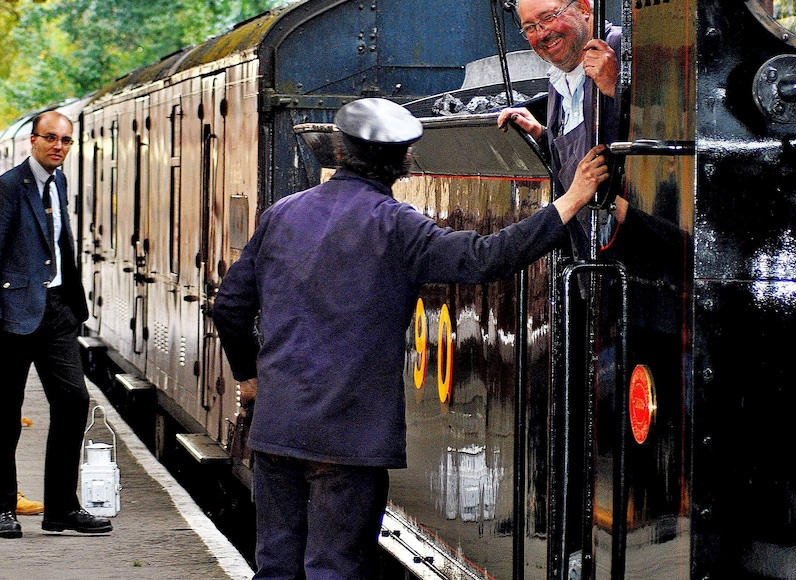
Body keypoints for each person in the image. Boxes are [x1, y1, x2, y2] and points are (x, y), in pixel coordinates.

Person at [212, 98, 609, 579]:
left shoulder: (281, 214)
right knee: (333, 568)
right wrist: (572, 200)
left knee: (275, 568)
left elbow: (229, 306)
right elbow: (486, 258)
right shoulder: (397, 225)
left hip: (279, 427)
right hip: (349, 437)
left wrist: (251, 380)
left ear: (339, 151)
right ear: (404, 161)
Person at [0, 111, 113, 539]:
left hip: (58, 312)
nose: (58, 147)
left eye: (66, 141)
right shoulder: (9, 188)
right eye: (51, 138)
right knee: (5, 415)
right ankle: (2, 509)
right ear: (32, 140)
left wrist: (70, 304)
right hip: (13, 315)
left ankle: (62, 508)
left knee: (72, 402)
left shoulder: (58, 181)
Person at [497, 0, 631, 243]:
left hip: (634, 249)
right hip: (590, 254)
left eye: (548, 17)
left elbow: (672, 123)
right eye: (530, 27)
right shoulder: (558, 79)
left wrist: (616, 87)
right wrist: (542, 135)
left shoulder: (624, 48)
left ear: (583, 9)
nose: (541, 34)